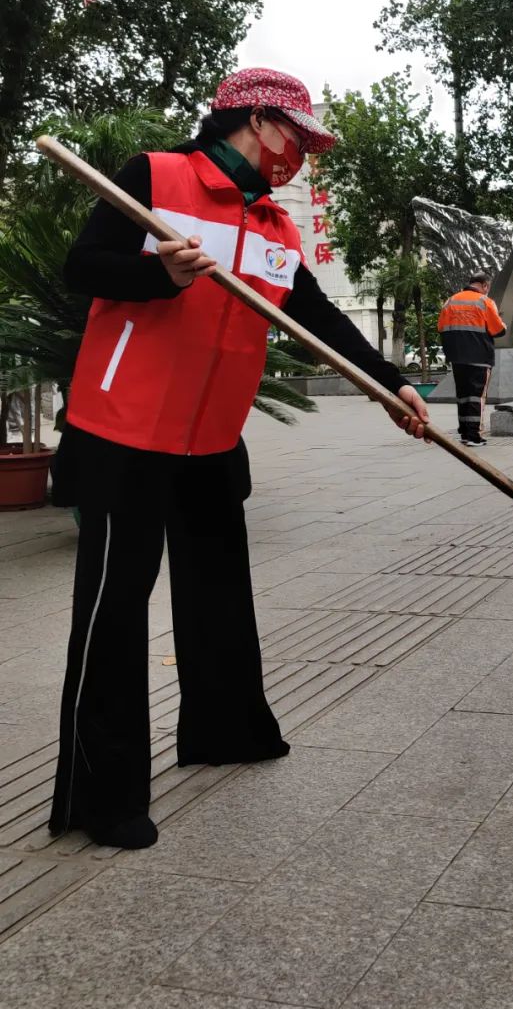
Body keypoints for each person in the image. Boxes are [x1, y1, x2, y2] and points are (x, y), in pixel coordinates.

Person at [48, 67, 430, 851]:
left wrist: (391, 385)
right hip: (125, 430)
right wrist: (160, 273)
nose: (301, 154)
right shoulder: (155, 177)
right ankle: (102, 795)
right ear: (254, 119)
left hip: (210, 438)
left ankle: (227, 729)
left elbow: (315, 314)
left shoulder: (273, 226)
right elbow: (81, 268)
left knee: (219, 590)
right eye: (297, 136)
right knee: (116, 608)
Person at [436, 272, 506, 446]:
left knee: (463, 395)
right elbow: (498, 330)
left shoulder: (450, 301)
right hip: (479, 356)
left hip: (457, 358)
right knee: (476, 396)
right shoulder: (485, 302)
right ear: (485, 286)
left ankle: (465, 434)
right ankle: (474, 435)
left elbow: (441, 328)